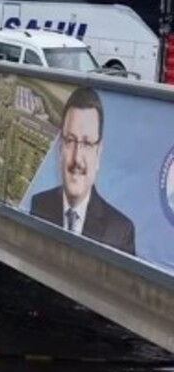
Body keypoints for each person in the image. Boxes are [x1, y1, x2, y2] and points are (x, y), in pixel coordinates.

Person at [29, 86, 135, 255]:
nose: (77, 159)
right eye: (70, 141)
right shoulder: (39, 204)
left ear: (98, 153)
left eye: (86, 144)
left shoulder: (120, 231)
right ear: (60, 148)